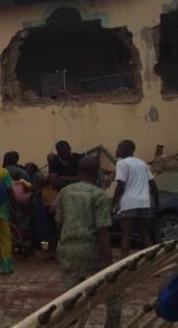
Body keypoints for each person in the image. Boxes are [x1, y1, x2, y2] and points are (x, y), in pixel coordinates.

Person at [56, 156, 121, 328]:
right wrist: (108, 262)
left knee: (71, 297)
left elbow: (59, 222)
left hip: (67, 247)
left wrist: (59, 247)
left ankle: (70, 323)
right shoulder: (100, 196)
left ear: (80, 171)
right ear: (97, 171)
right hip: (91, 248)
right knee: (113, 291)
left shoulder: (65, 192)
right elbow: (102, 230)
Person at [112, 139, 160, 258]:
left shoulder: (122, 163)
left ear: (126, 150)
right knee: (145, 235)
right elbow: (153, 184)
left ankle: (123, 264)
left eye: (119, 147)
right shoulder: (142, 163)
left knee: (126, 234)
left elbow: (120, 185)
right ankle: (153, 261)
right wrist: (157, 203)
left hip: (129, 203)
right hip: (144, 203)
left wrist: (113, 203)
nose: (117, 150)